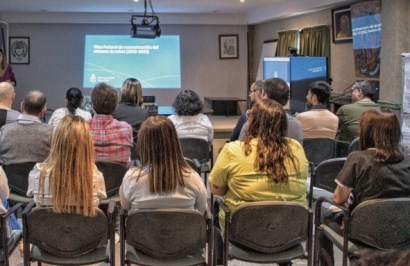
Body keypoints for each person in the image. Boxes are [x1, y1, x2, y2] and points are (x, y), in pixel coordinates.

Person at [317, 107, 410, 266]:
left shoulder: (358, 159)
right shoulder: (406, 160)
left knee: (323, 215)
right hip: (401, 231)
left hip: (364, 232)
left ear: (367, 132)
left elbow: (339, 198)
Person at [209, 99, 308, 232]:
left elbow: (216, 190)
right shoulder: (296, 148)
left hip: (243, 231)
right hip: (290, 229)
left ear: (251, 122)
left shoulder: (232, 149)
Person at [120, 116, 207, 214]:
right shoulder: (193, 178)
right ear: (174, 143)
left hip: (143, 229)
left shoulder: (132, 179)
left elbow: (125, 206)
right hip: (182, 229)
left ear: (143, 145)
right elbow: (202, 209)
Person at [27, 115, 107, 215]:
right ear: (87, 145)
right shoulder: (96, 176)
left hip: (48, 230)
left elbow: (30, 195)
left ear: (56, 141)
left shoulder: (38, 174)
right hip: (84, 230)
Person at [239, 78, 303, 144]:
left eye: (263, 94)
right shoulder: (297, 125)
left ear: (265, 96)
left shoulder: (250, 125)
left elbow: (240, 149)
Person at [0, 90, 53, 165]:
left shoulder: (4, 130)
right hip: (41, 175)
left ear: (22, 106)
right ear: (43, 111)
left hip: (9, 175)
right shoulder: (50, 132)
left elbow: (0, 157)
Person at [89, 83, 133, 167]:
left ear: (92, 106)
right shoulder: (126, 129)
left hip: (88, 179)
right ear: (115, 106)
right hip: (119, 180)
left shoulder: (81, 129)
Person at [113, 78, 149, 144]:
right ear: (139, 93)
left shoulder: (113, 110)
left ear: (122, 91)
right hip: (137, 152)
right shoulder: (144, 113)